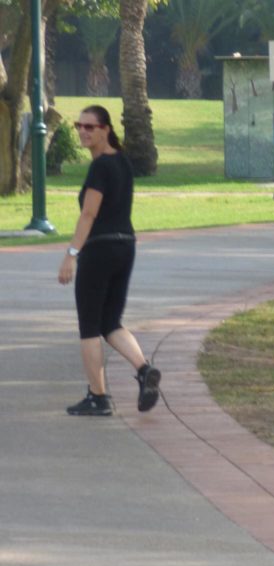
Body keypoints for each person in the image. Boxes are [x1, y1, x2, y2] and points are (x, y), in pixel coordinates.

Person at [58, 105, 161, 416]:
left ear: (105, 129)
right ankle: (144, 370)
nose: (83, 132)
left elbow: (89, 213)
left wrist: (71, 254)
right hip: (125, 247)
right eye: (79, 126)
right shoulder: (123, 162)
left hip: (100, 250)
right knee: (109, 323)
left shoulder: (101, 166)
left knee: (89, 326)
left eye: (90, 126)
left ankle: (98, 396)